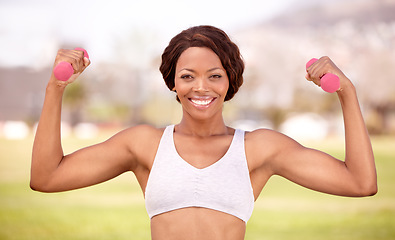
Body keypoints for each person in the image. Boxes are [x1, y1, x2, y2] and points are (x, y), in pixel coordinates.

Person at [30, 25, 377, 240]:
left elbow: (360, 184)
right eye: (187, 76)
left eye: (214, 75)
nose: (201, 87)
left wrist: (347, 92)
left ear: (230, 82)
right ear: (173, 83)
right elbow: (47, 177)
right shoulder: (144, 145)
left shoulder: (259, 149)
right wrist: (55, 88)